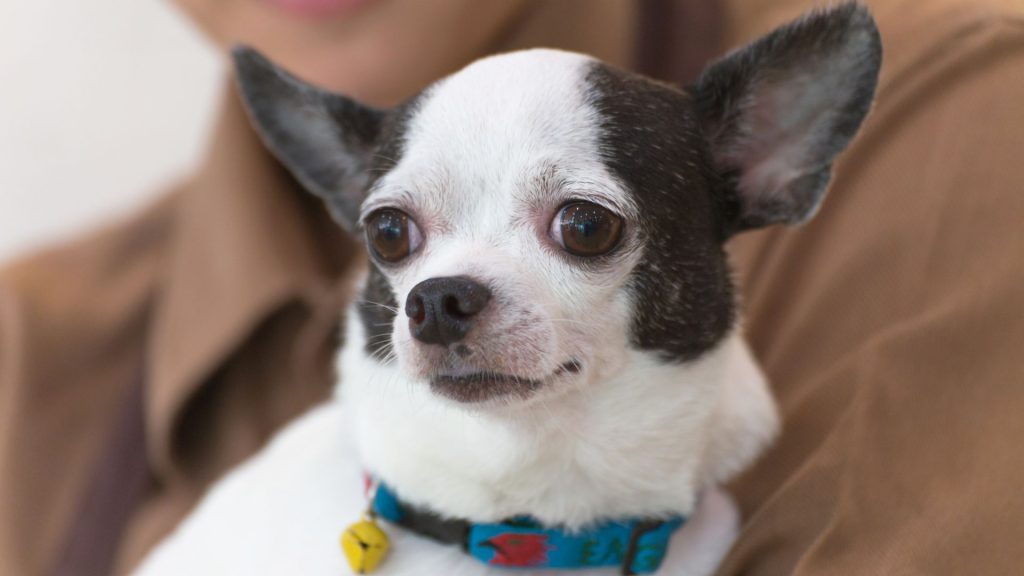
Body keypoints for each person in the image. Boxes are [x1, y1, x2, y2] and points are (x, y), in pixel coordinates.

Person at [1, 0, 1021, 575]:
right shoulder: (34, 353)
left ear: (762, 163)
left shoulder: (963, 118)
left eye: (579, 228)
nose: (443, 294)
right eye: (399, 235)